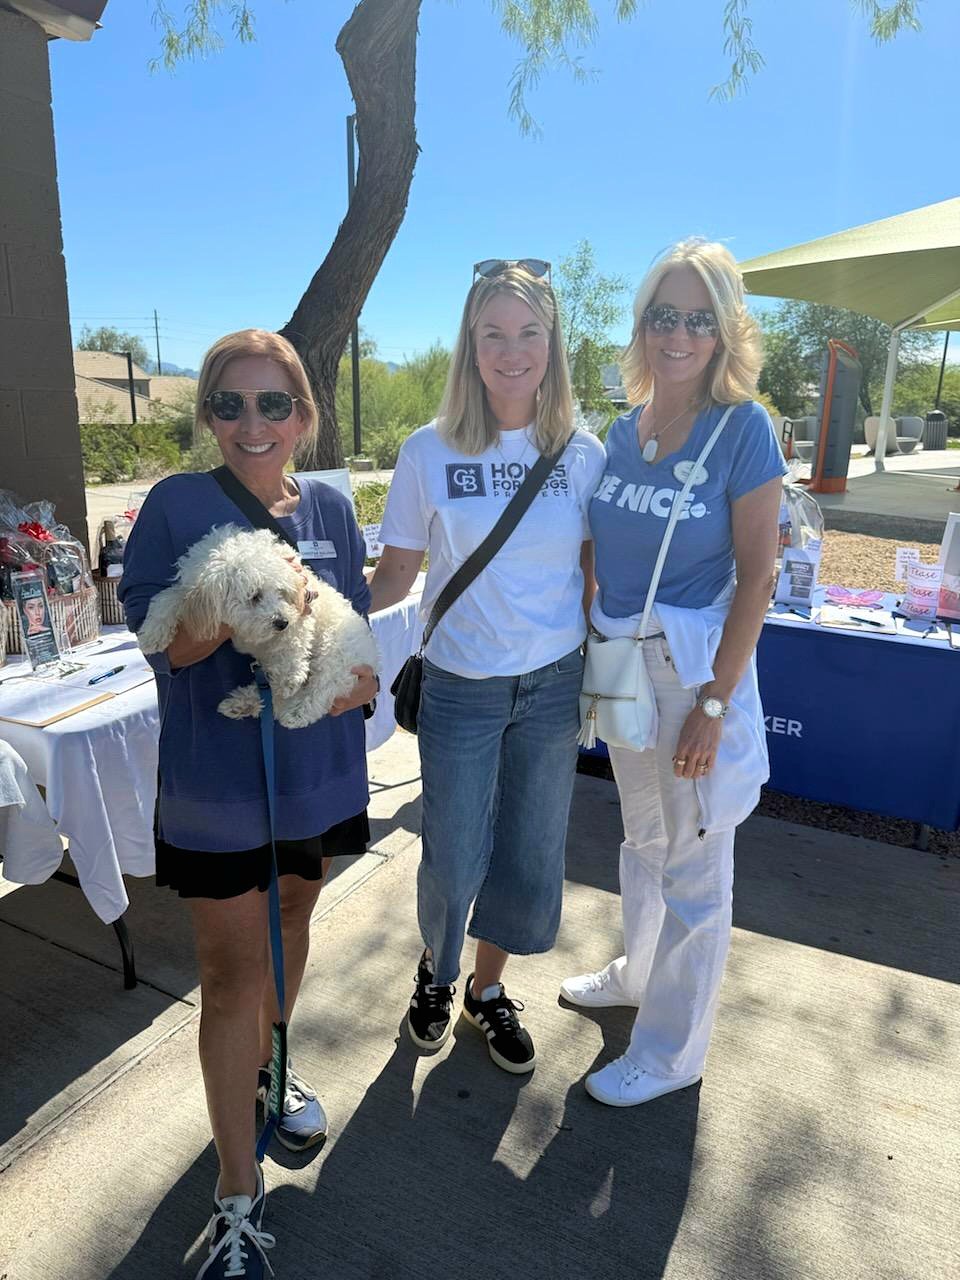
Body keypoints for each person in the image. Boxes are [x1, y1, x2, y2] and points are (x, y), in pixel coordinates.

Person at [119, 329, 377, 1278]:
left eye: (275, 405)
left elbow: (344, 634)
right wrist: (224, 610)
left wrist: (354, 679)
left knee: (294, 922)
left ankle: (271, 1068)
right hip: (220, 788)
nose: (253, 423)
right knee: (229, 973)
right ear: (209, 418)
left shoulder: (336, 511)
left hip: (315, 772)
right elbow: (160, 644)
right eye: (230, 405)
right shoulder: (176, 506)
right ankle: (237, 1186)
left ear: (304, 416)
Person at [561, 239, 787, 1107]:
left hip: (687, 670)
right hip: (616, 657)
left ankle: (670, 1051)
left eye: (699, 317)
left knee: (697, 861)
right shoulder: (625, 425)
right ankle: (636, 971)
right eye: (665, 314)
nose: (678, 333)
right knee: (643, 834)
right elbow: (593, 547)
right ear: (643, 324)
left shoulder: (745, 429)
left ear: (726, 329)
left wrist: (717, 703)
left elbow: (758, 576)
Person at [369, 259, 605, 1074]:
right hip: (462, 685)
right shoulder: (427, 450)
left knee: (528, 849)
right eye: (494, 334)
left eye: (529, 333)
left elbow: (590, 573)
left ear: (553, 344)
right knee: (453, 849)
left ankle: (486, 991)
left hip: (551, 685)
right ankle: (436, 974)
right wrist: (312, 618)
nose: (512, 351)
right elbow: (396, 573)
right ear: (470, 345)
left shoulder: (582, 453)